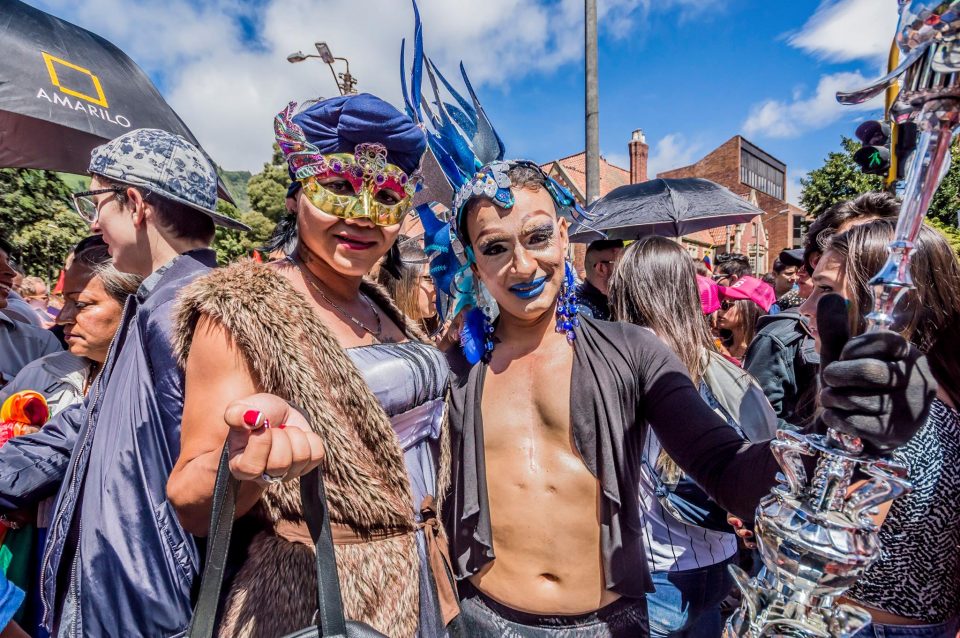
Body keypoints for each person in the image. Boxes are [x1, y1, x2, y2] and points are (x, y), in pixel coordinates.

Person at [441, 160, 934, 637]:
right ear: (473, 260)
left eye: (538, 237)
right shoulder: (455, 367)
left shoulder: (632, 351)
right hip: (483, 618)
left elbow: (725, 468)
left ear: (566, 234)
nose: (522, 263)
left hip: (608, 625)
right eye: (495, 247)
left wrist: (841, 426)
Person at [168, 95, 458, 637]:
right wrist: (244, 460)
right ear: (295, 198)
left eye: (387, 197)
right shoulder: (243, 307)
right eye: (339, 188)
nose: (363, 215)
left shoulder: (379, 301)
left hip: (427, 572)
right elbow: (188, 499)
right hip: (321, 596)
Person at [0, 128, 247, 636]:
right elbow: (85, 429)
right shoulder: (155, 302)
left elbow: (212, 479)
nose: (94, 223)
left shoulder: (189, 308)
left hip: (141, 605)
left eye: (96, 203)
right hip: (123, 591)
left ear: (134, 204)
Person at [608, 236, 777, 638]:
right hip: (720, 560)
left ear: (629, 289)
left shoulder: (624, 359)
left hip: (656, 567)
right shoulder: (715, 361)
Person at [798, 219, 960, 638]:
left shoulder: (888, 411)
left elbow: (823, 556)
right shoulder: (934, 391)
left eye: (828, 291)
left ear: (886, 302)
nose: (806, 307)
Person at [745, 193, 899, 430]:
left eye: (869, 242)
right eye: (843, 242)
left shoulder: (926, 389)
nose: (845, 254)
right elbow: (755, 429)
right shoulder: (783, 338)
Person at [0, 240, 61, 388]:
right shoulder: (26, 309)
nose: (10, 272)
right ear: (27, 299)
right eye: (42, 297)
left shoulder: (42, 342)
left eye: (47, 296)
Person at [377, 234, 441, 338]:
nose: (438, 287)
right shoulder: (382, 336)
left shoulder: (435, 335)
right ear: (402, 284)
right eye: (429, 278)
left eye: (439, 279)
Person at [716, 276, 774, 363]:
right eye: (720, 303)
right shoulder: (718, 345)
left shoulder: (763, 353)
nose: (719, 309)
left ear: (749, 309)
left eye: (725, 304)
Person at [575, 239, 623, 320]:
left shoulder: (619, 299)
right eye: (621, 263)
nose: (626, 268)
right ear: (601, 268)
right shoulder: (581, 311)